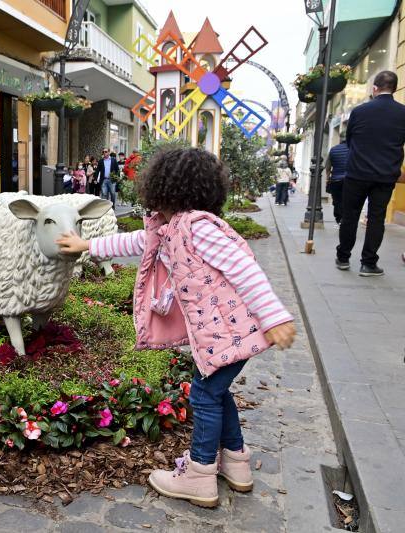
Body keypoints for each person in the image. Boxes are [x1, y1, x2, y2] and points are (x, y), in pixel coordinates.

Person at [56, 147, 295, 508]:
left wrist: (275, 318)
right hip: (218, 337)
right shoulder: (174, 229)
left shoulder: (199, 229)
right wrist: (87, 245)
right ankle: (236, 463)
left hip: (229, 335)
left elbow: (246, 270)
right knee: (216, 392)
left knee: (203, 395)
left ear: (169, 189)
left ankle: (199, 475)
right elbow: (135, 242)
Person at [336, 70, 405, 276]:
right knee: (376, 219)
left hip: (357, 173)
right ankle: (368, 263)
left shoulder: (360, 111)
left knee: (350, 216)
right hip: (385, 176)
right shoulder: (403, 113)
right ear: (393, 88)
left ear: (375, 88)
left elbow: (349, 140)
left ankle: (343, 258)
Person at [325, 132, 349, 224]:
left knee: (337, 200)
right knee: (348, 200)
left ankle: (339, 218)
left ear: (340, 139)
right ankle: (345, 218)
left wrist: (327, 179)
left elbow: (328, 167)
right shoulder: (353, 149)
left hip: (336, 180)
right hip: (349, 180)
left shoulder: (333, 150)